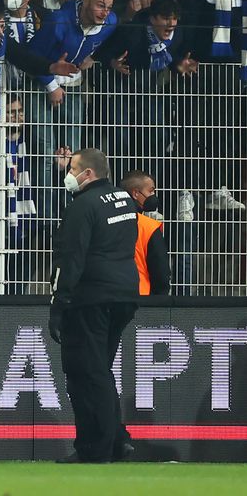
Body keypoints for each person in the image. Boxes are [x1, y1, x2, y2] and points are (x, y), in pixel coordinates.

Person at [49, 147, 139, 463]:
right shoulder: (124, 200)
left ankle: (96, 448)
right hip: (124, 294)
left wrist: (59, 304)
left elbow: (70, 258)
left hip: (90, 298)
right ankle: (117, 440)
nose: (68, 173)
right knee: (99, 371)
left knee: (86, 374)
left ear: (88, 174)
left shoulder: (82, 206)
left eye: (73, 168)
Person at [121, 171, 172, 298]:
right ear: (136, 193)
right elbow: (161, 272)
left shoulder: (106, 221)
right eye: (151, 191)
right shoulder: (148, 226)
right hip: (142, 298)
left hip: (110, 297)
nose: (153, 195)